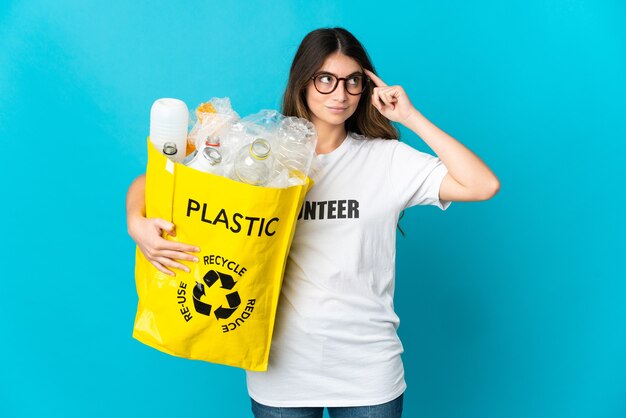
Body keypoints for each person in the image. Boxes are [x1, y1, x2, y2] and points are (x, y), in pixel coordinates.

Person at [126, 27, 500, 418]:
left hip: (367, 370)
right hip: (280, 368)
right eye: (326, 80)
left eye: (352, 81)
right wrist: (137, 222)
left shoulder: (386, 160)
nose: (340, 94)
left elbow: (482, 184)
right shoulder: (261, 155)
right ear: (303, 82)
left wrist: (410, 117)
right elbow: (154, 179)